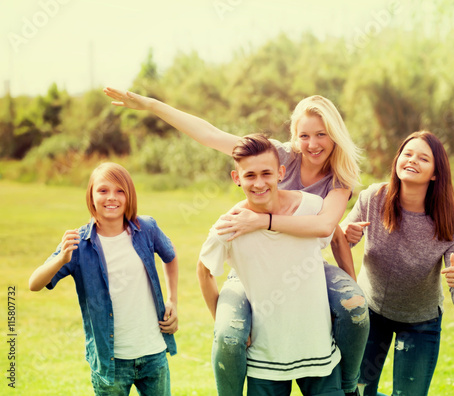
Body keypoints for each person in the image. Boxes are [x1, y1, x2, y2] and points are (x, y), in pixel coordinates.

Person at [104, 87, 369, 396]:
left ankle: (348, 387)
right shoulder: (280, 155)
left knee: (356, 309)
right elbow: (210, 135)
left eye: (321, 134)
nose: (312, 144)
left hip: (304, 265)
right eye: (304, 135)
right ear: (294, 137)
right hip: (252, 265)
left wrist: (262, 220)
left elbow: (327, 227)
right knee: (229, 335)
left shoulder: (339, 177)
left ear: (335, 134)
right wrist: (151, 105)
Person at [197, 134, 344, 395]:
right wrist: (219, 318)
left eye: (266, 173)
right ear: (236, 178)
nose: (259, 183)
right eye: (250, 175)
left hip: (318, 350)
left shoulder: (311, 207)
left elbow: (334, 235)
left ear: (280, 173)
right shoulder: (230, 225)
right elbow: (204, 269)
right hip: (265, 359)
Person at [340, 131, 454, 396]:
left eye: (423, 158)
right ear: (398, 160)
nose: (412, 160)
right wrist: (346, 234)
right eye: (408, 154)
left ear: (436, 173)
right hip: (370, 313)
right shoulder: (374, 198)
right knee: (356, 391)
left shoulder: (451, 224)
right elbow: (342, 238)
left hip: (420, 323)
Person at [29, 162, 179, 396]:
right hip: (110, 363)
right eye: (103, 190)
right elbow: (34, 284)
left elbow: (170, 256)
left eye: (120, 191)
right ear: (91, 196)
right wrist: (61, 260)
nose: (112, 197)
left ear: (129, 196)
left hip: (153, 354)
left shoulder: (146, 228)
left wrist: (172, 300)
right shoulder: (78, 243)